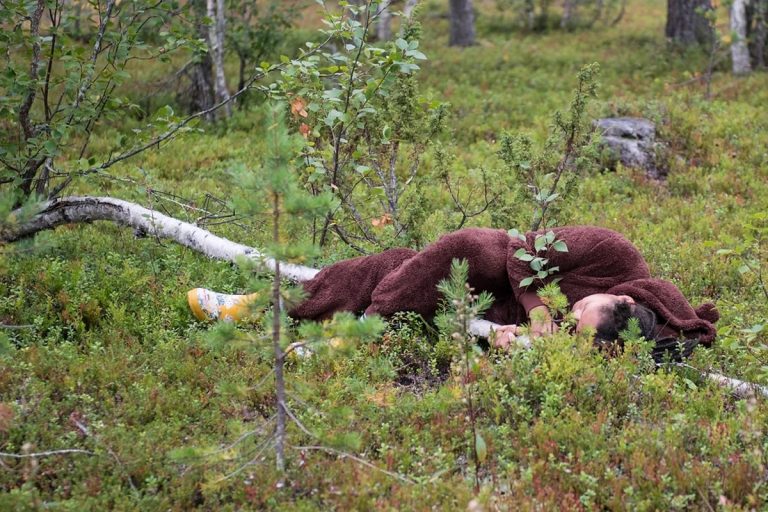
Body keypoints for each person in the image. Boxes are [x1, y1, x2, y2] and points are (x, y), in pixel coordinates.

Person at [189, 226, 719, 354]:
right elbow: (524, 249)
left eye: (574, 317)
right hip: (501, 268)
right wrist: (540, 312)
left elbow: (559, 345)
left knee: (392, 266)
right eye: (582, 305)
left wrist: (516, 341)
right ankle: (354, 328)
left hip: (491, 311)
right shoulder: (615, 253)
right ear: (624, 297)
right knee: (469, 246)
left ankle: (274, 311)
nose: (572, 310)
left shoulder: (622, 338)